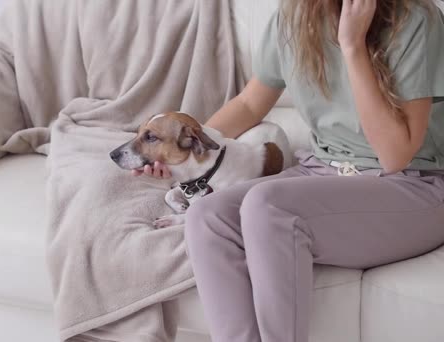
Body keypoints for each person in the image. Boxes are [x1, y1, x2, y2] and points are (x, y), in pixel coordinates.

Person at [133, 0, 444, 341]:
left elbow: (395, 156)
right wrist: (186, 150)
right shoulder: (293, 16)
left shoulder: (414, 18)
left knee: (267, 205)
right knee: (207, 215)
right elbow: (251, 103)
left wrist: (352, 45)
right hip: (323, 172)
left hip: (412, 187)